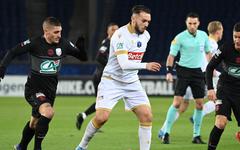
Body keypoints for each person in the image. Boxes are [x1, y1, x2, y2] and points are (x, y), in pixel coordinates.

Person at [75, 5, 161, 150]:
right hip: (112, 81)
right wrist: (146, 65)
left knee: (147, 116)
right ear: (133, 19)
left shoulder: (146, 36)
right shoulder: (120, 35)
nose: (146, 24)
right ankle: (82, 146)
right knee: (101, 118)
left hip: (132, 82)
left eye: (148, 21)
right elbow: (124, 64)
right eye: (143, 21)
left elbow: (133, 61)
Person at [0, 17, 87, 150]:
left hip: (50, 91)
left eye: (60, 32)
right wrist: (2, 68)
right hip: (33, 89)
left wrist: (81, 47)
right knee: (48, 112)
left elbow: (83, 58)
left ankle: (21, 146)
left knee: (34, 123)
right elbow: (13, 52)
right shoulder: (35, 43)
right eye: (56, 32)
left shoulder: (63, 44)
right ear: (46, 31)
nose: (59, 35)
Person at [158, 21, 223, 131]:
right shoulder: (212, 44)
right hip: (199, 76)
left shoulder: (203, 39)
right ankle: (197, 117)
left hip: (189, 73)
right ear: (218, 32)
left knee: (182, 106)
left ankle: (163, 130)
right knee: (219, 98)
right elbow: (208, 64)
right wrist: (220, 74)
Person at [158, 12, 211, 144]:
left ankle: (196, 135)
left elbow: (208, 53)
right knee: (177, 103)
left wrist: (211, 69)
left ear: (198, 23)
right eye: (190, 23)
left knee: (199, 105)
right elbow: (171, 56)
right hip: (183, 72)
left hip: (198, 73)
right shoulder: (179, 38)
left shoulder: (203, 35)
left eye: (194, 23)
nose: (192, 26)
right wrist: (169, 71)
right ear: (186, 23)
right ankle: (166, 133)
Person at [76, 23, 119, 130]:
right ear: (108, 32)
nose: (115, 31)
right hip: (102, 77)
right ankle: (90, 120)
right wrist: (112, 65)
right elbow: (99, 57)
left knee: (100, 102)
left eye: (117, 30)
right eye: (112, 29)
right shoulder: (108, 42)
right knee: (103, 102)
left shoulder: (111, 42)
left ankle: (85, 117)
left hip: (100, 76)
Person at [207, 22, 240, 150]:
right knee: (220, 123)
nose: (237, 40)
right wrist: (210, 88)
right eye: (235, 37)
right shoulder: (225, 48)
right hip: (225, 89)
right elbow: (210, 67)